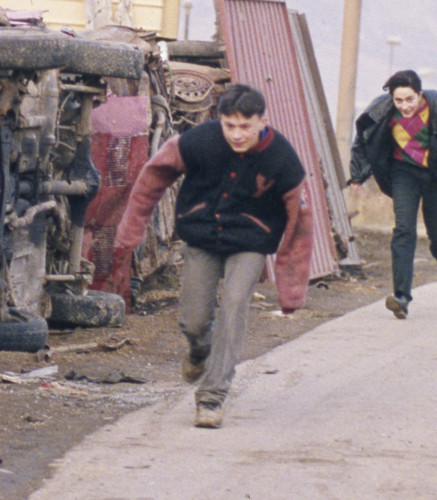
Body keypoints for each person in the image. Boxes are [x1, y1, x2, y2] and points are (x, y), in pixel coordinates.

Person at [114, 83, 313, 428]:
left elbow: (300, 224)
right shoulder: (199, 142)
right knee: (193, 320)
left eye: (245, 127)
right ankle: (198, 349)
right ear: (219, 120)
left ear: (262, 121)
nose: (237, 135)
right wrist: (130, 230)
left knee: (235, 304)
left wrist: (291, 287)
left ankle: (212, 396)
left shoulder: (282, 158)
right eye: (229, 126)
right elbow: (153, 176)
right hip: (203, 236)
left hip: (251, 241)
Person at [348, 69, 437, 319]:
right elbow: (362, 140)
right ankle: (401, 297)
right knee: (404, 230)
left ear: (420, 94)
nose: (405, 106)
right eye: (399, 100)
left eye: (410, 99)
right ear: (391, 98)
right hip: (404, 172)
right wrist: (358, 175)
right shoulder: (381, 110)